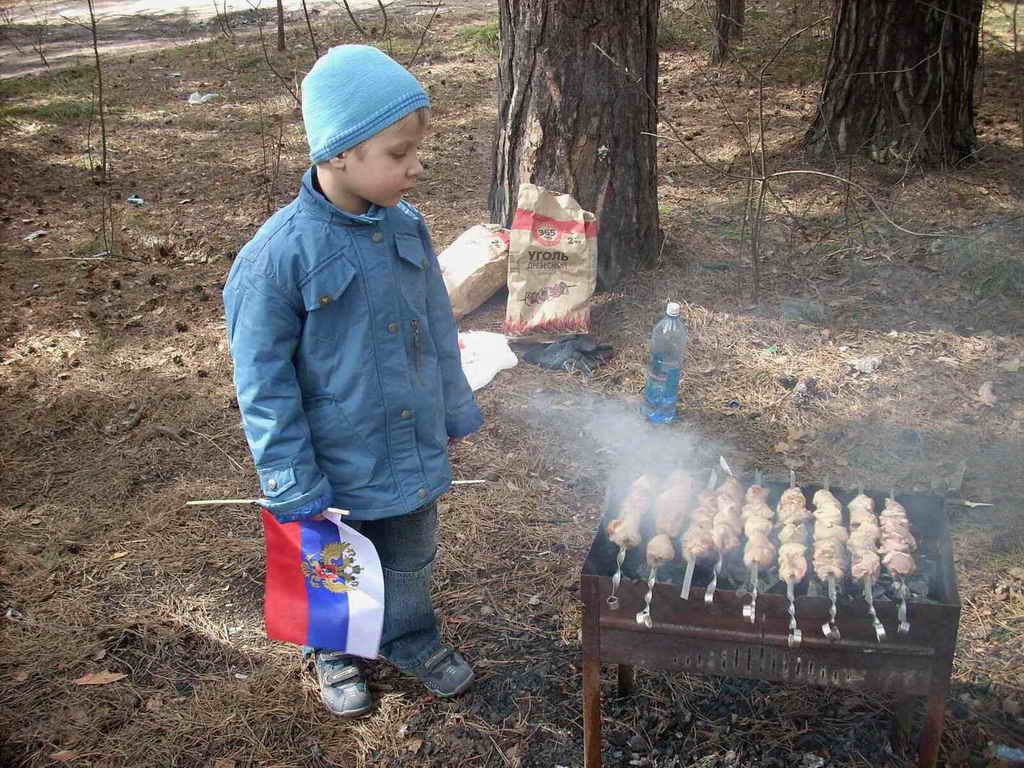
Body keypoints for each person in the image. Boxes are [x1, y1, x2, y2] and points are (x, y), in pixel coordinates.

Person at [222, 44, 483, 718]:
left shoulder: (409, 230)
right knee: (330, 561)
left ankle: (408, 635)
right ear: (339, 152)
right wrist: (288, 478)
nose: (416, 167)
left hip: (409, 440)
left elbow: (436, 326)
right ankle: (333, 648)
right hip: (334, 459)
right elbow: (263, 383)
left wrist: (453, 412)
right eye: (398, 154)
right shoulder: (278, 257)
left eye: (416, 151)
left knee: (409, 553)